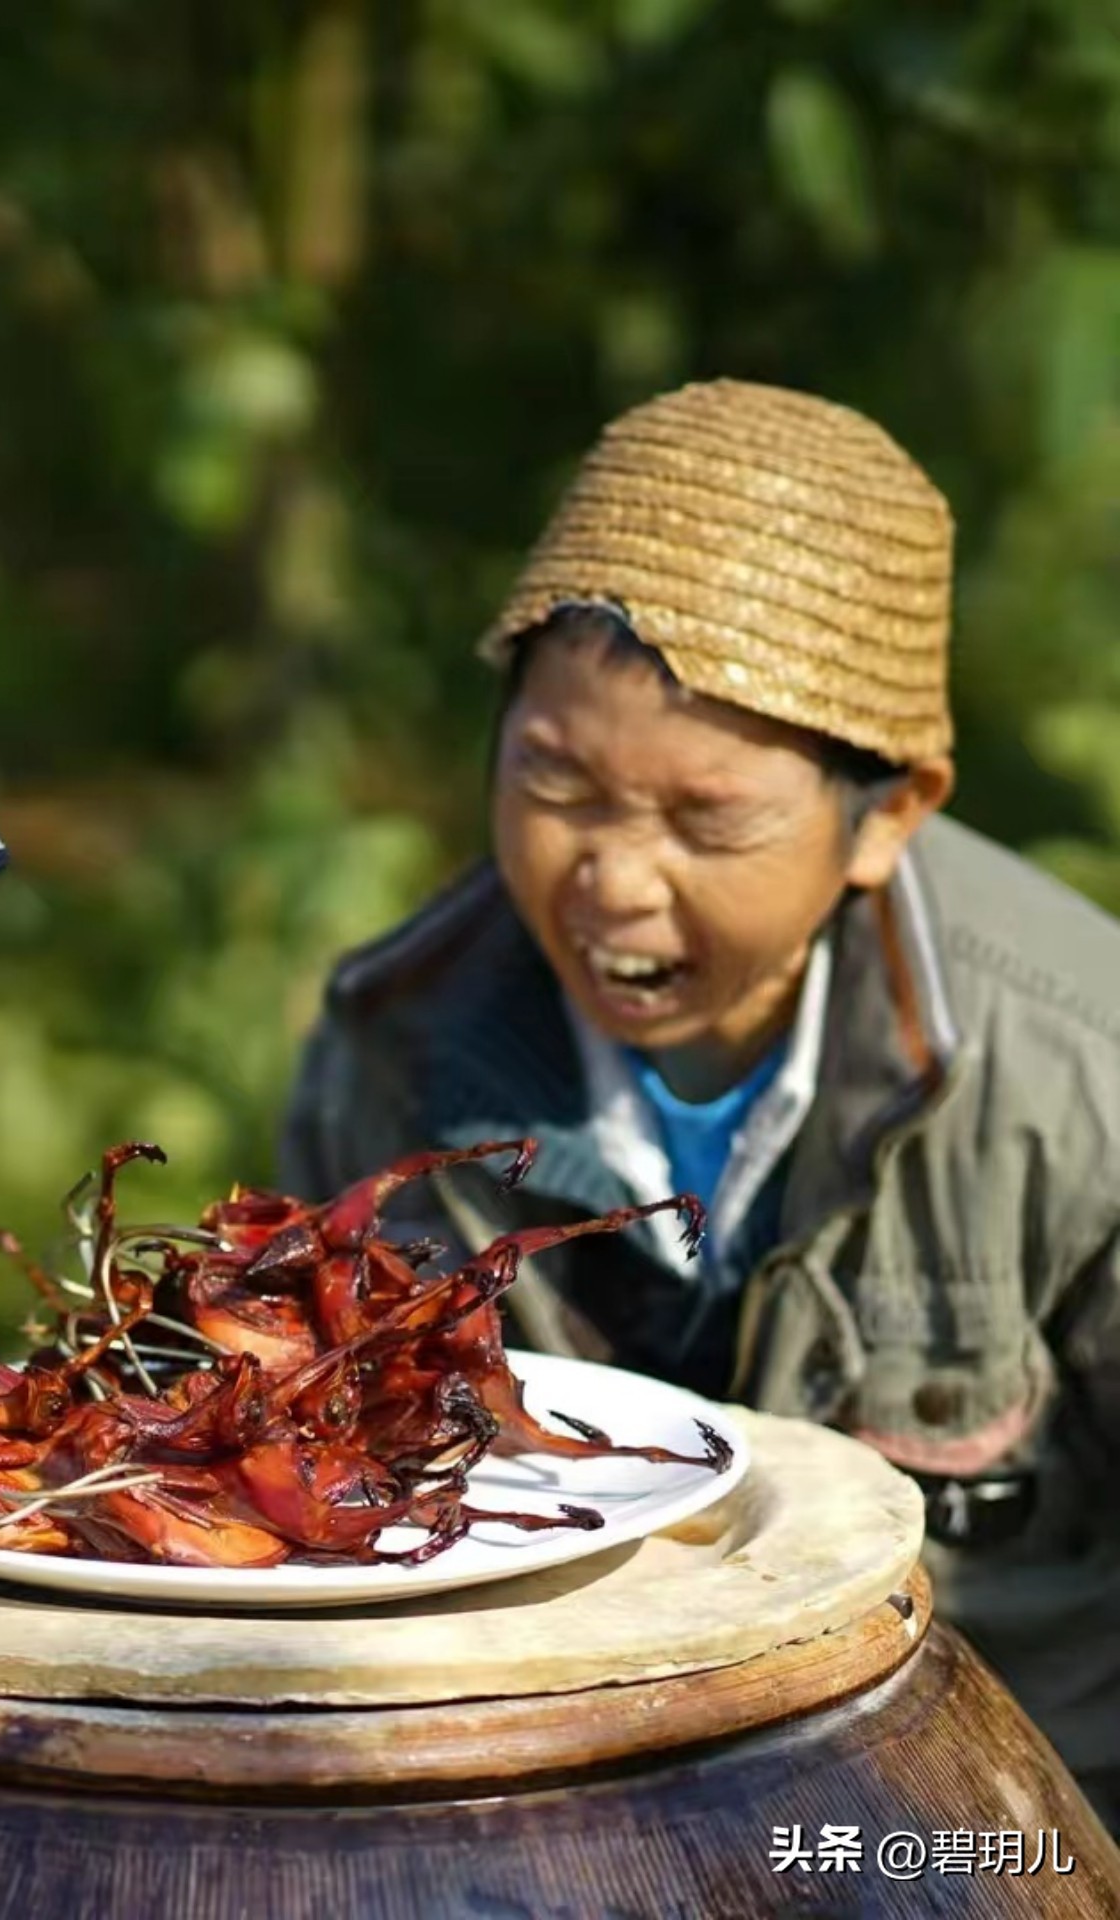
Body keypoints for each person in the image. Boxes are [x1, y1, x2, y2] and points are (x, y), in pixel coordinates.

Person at [282, 378, 1120, 1827]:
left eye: (706, 819)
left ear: (889, 814)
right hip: (542, 1813)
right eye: (556, 784)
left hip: (989, 1829)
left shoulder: (1076, 1074)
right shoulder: (395, 1046)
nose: (611, 881)